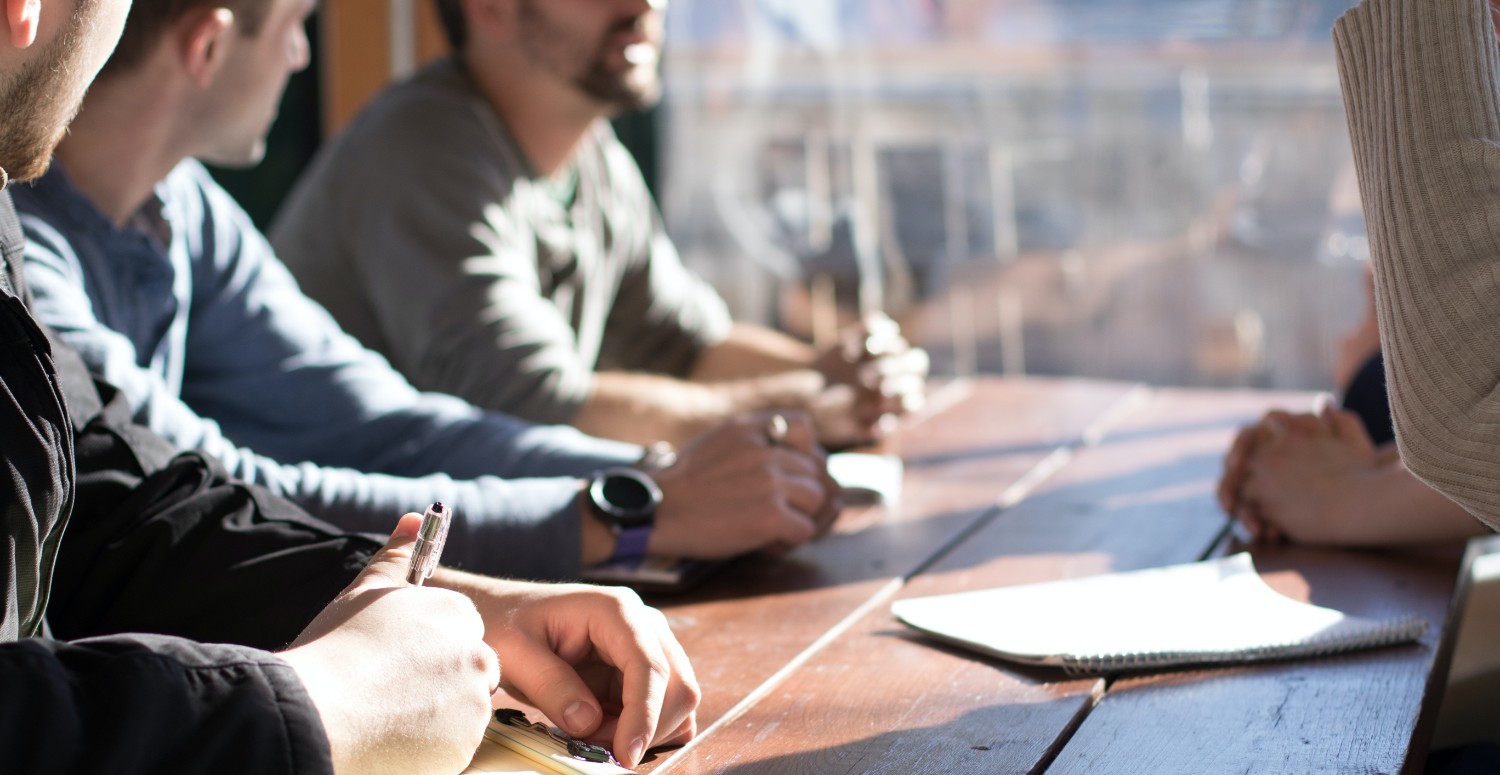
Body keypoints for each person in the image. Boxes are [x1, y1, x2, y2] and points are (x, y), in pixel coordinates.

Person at [0, 1, 697, 772]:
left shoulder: (160, 210)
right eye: (298, 22)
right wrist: (318, 698)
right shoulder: (423, 144)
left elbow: (125, 505)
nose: (304, 56)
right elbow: (519, 387)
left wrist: (443, 601)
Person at [17, 0, 840, 581]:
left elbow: (380, 421)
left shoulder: (181, 206)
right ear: (205, 48)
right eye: (303, 23)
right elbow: (211, 498)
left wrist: (651, 472)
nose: (305, 56)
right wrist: (631, 510)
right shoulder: (28, 261)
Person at [269, 0, 930, 451]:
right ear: (491, 7)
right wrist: (805, 403)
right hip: (350, 572)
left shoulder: (590, 151)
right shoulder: (422, 150)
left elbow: (686, 344)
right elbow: (539, 410)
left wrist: (840, 372)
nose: (648, 3)